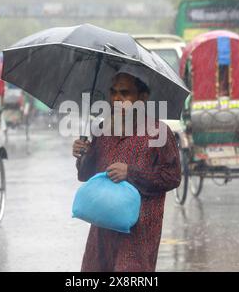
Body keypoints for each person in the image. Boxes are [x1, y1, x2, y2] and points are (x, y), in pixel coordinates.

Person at [72, 67, 181, 272]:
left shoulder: (159, 132)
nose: (117, 99)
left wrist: (130, 174)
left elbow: (173, 177)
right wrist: (82, 154)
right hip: (102, 230)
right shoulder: (104, 130)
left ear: (143, 97)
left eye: (125, 93)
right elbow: (86, 175)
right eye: (113, 92)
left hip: (138, 233)